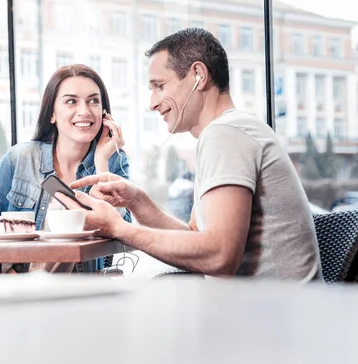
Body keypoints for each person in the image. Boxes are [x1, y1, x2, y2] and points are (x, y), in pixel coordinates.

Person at [58, 28, 321, 282]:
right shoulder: (227, 131)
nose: (152, 103)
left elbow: (219, 256)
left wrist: (118, 228)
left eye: (159, 86)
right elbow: (197, 237)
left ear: (198, 75)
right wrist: (137, 200)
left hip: (273, 319)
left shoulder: (226, 134)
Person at [0, 64, 131, 273]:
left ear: (104, 114)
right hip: (19, 290)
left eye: (93, 101)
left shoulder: (113, 161)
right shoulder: (19, 159)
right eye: (71, 101)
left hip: (85, 292)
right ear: (52, 114)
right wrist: (15, 274)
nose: (84, 111)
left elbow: (124, 235)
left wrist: (101, 162)